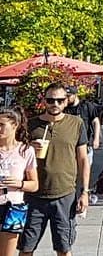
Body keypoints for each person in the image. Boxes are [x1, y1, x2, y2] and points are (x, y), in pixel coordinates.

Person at [19, 83, 89, 256]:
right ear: (44, 101)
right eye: (51, 100)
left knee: (64, 249)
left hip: (65, 194)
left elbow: (83, 159)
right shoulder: (31, 125)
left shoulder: (76, 123)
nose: (55, 104)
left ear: (66, 101)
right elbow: (16, 156)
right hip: (34, 195)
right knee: (26, 248)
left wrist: (85, 191)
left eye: (60, 100)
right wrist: (28, 149)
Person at [0, 107, 39, 256]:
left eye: (2, 124)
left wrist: (19, 184)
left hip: (13, 206)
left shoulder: (25, 150)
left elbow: (34, 184)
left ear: (14, 125)